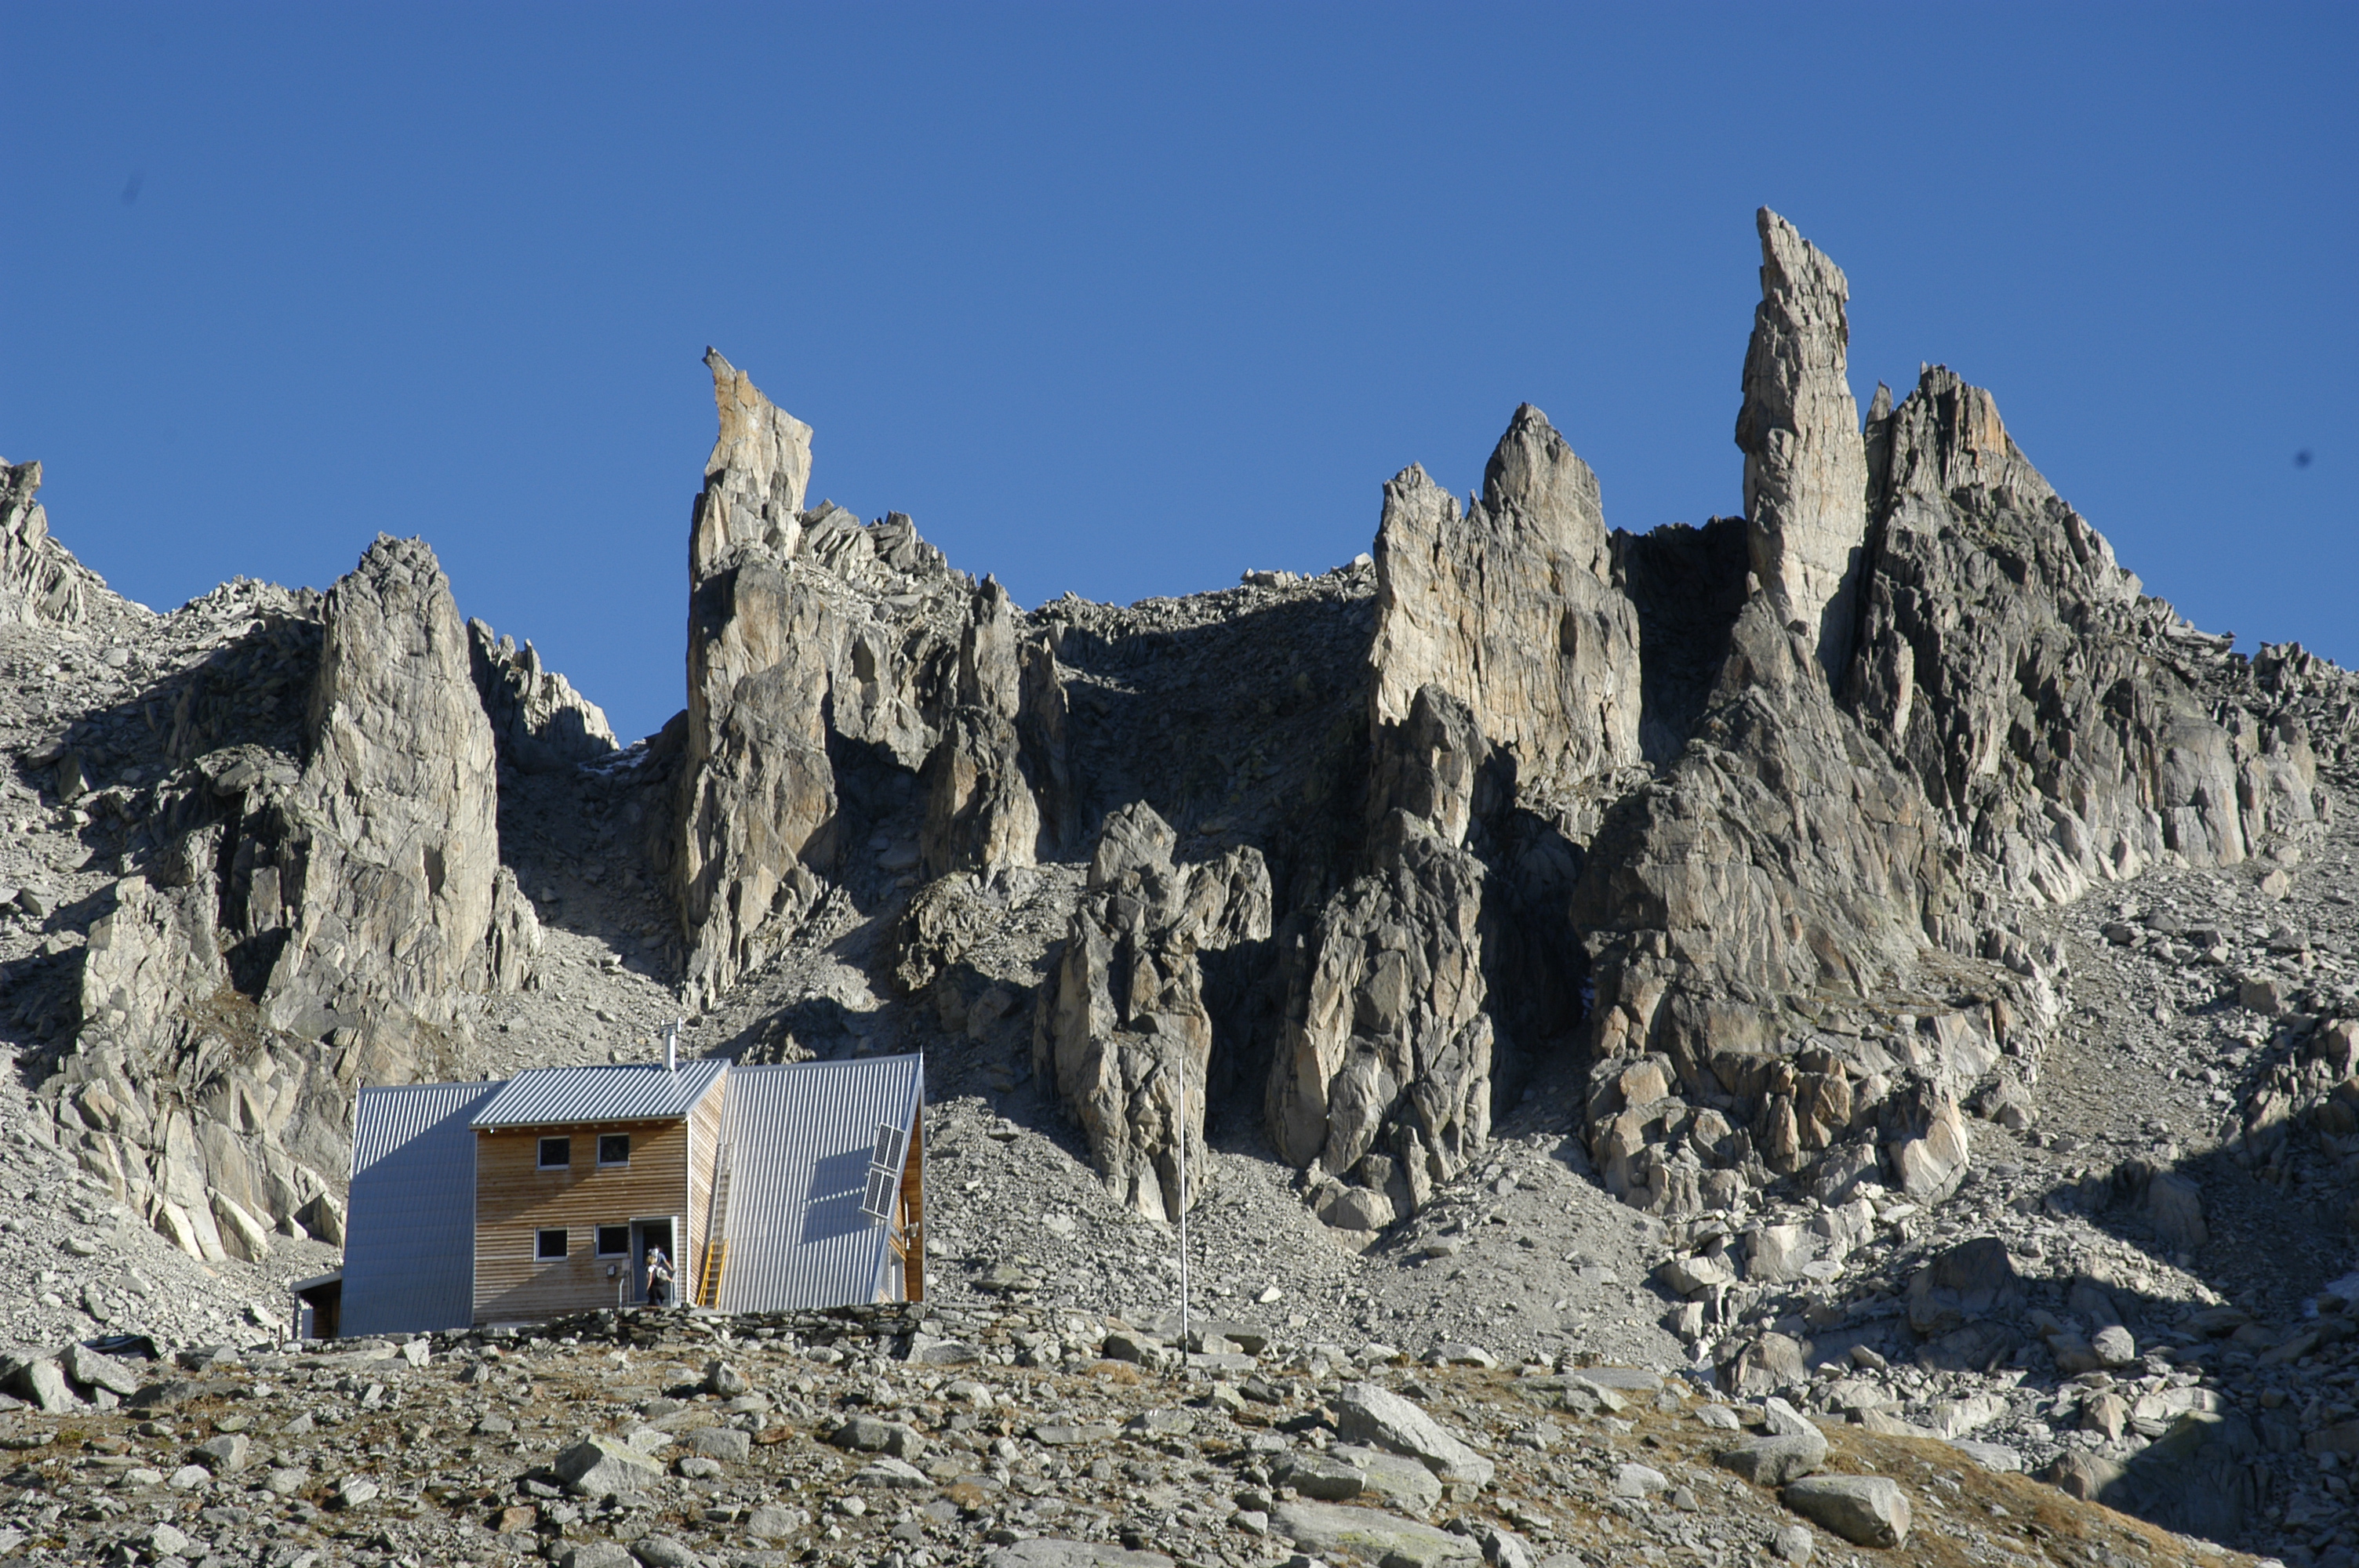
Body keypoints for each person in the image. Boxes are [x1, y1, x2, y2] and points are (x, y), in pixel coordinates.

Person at [644, 1244, 674, 1308]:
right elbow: (664, 1275)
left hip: (654, 1286)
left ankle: (658, 1308)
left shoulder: (650, 1268)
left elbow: (650, 1279)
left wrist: (648, 1287)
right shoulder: (657, 1267)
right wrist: (671, 1280)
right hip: (659, 1285)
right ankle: (654, 1308)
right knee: (658, 1298)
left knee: (655, 1299)